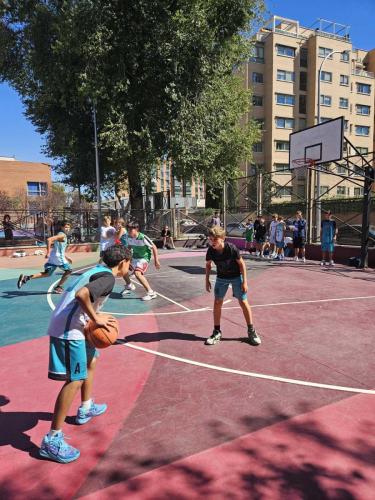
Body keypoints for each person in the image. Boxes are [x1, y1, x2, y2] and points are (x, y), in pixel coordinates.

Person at [39, 244, 132, 463]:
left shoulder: (96, 270)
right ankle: (52, 440)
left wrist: (92, 317)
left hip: (77, 325)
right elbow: (82, 295)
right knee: (75, 380)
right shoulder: (108, 278)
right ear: (123, 263)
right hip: (69, 330)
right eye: (129, 263)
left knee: (91, 361)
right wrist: (97, 318)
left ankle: (86, 407)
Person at [205, 226, 260, 346]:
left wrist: (245, 282)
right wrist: (207, 280)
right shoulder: (210, 251)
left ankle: (251, 331)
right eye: (210, 239)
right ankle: (217, 331)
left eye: (215, 239)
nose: (212, 242)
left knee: (243, 302)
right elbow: (208, 265)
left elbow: (242, 265)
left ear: (222, 238)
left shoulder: (231, 248)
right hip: (221, 278)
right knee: (217, 302)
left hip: (236, 277)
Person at [17, 221, 73, 294]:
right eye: (66, 227)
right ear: (62, 227)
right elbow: (49, 240)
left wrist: (67, 257)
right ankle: (59, 287)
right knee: (69, 271)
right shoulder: (62, 235)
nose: (67, 229)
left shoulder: (61, 235)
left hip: (54, 257)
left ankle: (26, 278)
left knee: (47, 273)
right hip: (58, 257)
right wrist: (48, 252)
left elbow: (59, 248)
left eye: (68, 227)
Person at [125, 221, 161, 301]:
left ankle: (151, 293)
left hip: (144, 258)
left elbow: (154, 247)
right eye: (128, 229)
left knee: (138, 274)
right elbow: (129, 247)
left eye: (131, 229)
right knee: (122, 269)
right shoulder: (128, 237)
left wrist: (156, 261)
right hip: (134, 258)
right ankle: (129, 285)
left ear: (136, 229)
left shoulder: (143, 237)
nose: (129, 231)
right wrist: (128, 259)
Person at [114, 217, 136, 296]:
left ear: (122, 224)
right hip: (123, 250)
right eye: (116, 223)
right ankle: (129, 284)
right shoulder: (119, 230)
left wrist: (115, 234)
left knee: (122, 269)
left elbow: (117, 240)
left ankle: (130, 283)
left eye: (119, 223)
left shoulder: (122, 229)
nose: (117, 224)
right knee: (122, 269)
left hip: (125, 251)